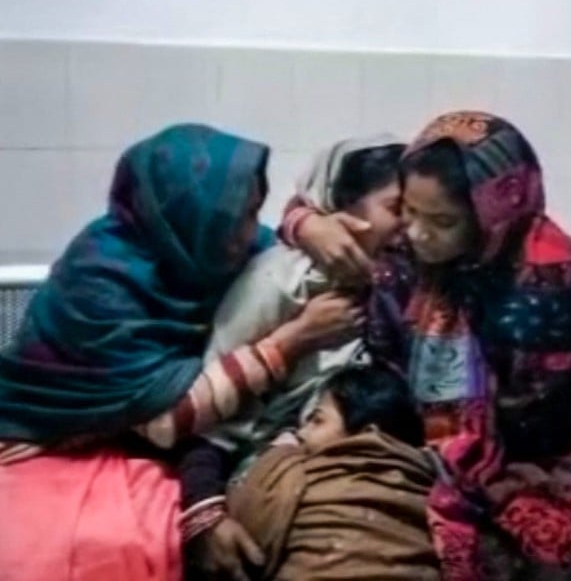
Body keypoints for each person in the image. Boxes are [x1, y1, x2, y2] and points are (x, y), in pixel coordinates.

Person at [297, 111, 571, 579]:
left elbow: (532, 424)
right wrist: (304, 223)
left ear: (493, 213)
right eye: (409, 210)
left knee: (537, 544)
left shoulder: (550, 284)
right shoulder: (412, 256)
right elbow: (303, 216)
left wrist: (447, 469)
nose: (417, 233)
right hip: (478, 439)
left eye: (441, 221)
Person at [0, 124, 350, 581]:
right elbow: (164, 423)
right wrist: (291, 342)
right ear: (185, 217)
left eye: (253, 213)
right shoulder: (100, 283)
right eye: (238, 219)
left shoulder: (205, 246)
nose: (250, 234)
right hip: (55, 437)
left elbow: (279, 243)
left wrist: (305, 223)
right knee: (109, 540)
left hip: (166, 436)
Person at [175, 136, 408, 578]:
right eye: (397, 209)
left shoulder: (416, 287)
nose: (412, 228)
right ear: (342, 205)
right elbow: (210, 427)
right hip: (286, 473)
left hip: (387, 471)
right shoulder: (277, 283)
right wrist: (205, 514)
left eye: (419, 212)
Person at [226, 363, 438, 580]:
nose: (302, 434)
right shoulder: (433, 490)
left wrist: (277, 454)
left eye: (317, 420)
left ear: (367, 437)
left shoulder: (302, 476)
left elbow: (246, 531)